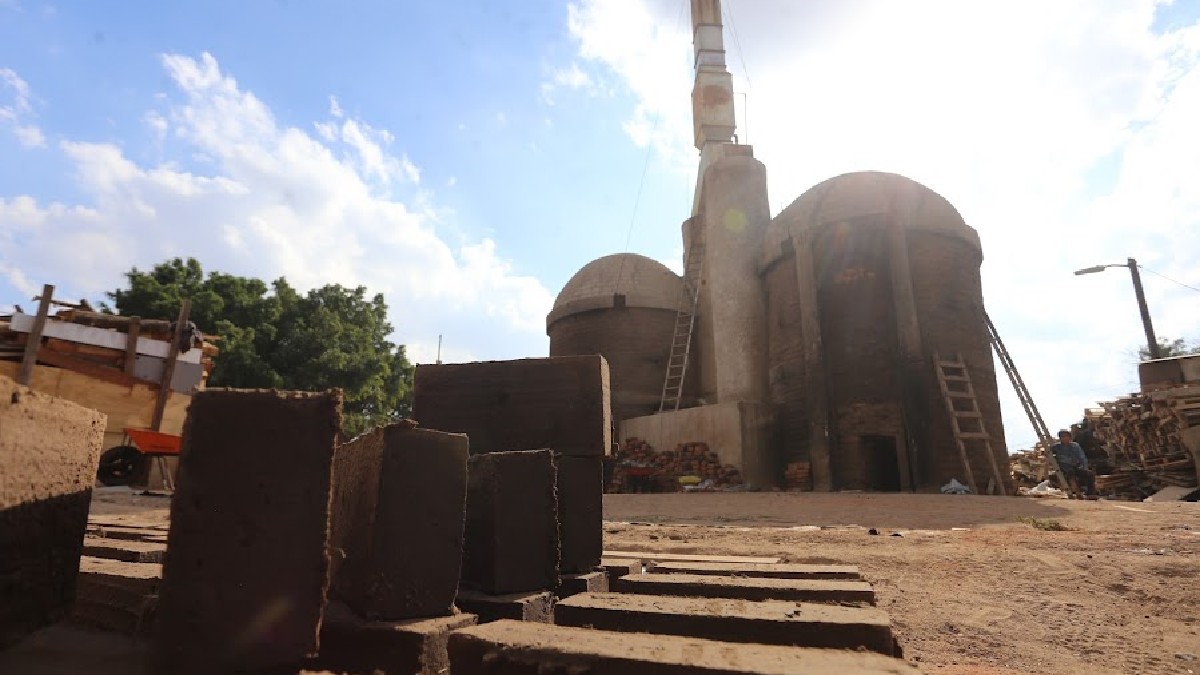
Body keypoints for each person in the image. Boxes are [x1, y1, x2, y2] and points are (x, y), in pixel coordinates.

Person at [1050, 429, 1095, 496]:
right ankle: (1074, 490)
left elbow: (1082, 458)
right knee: (1070, 472)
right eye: (1062, 437)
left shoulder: (1075, 446)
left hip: (1075, 467)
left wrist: (1084, 467)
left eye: (1066, 436)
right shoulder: (1056, 447)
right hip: (1064, 468)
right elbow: (1048, 453)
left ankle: (1090, 493)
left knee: (1090, 474)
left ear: (1069, 437)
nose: (1064, 438)